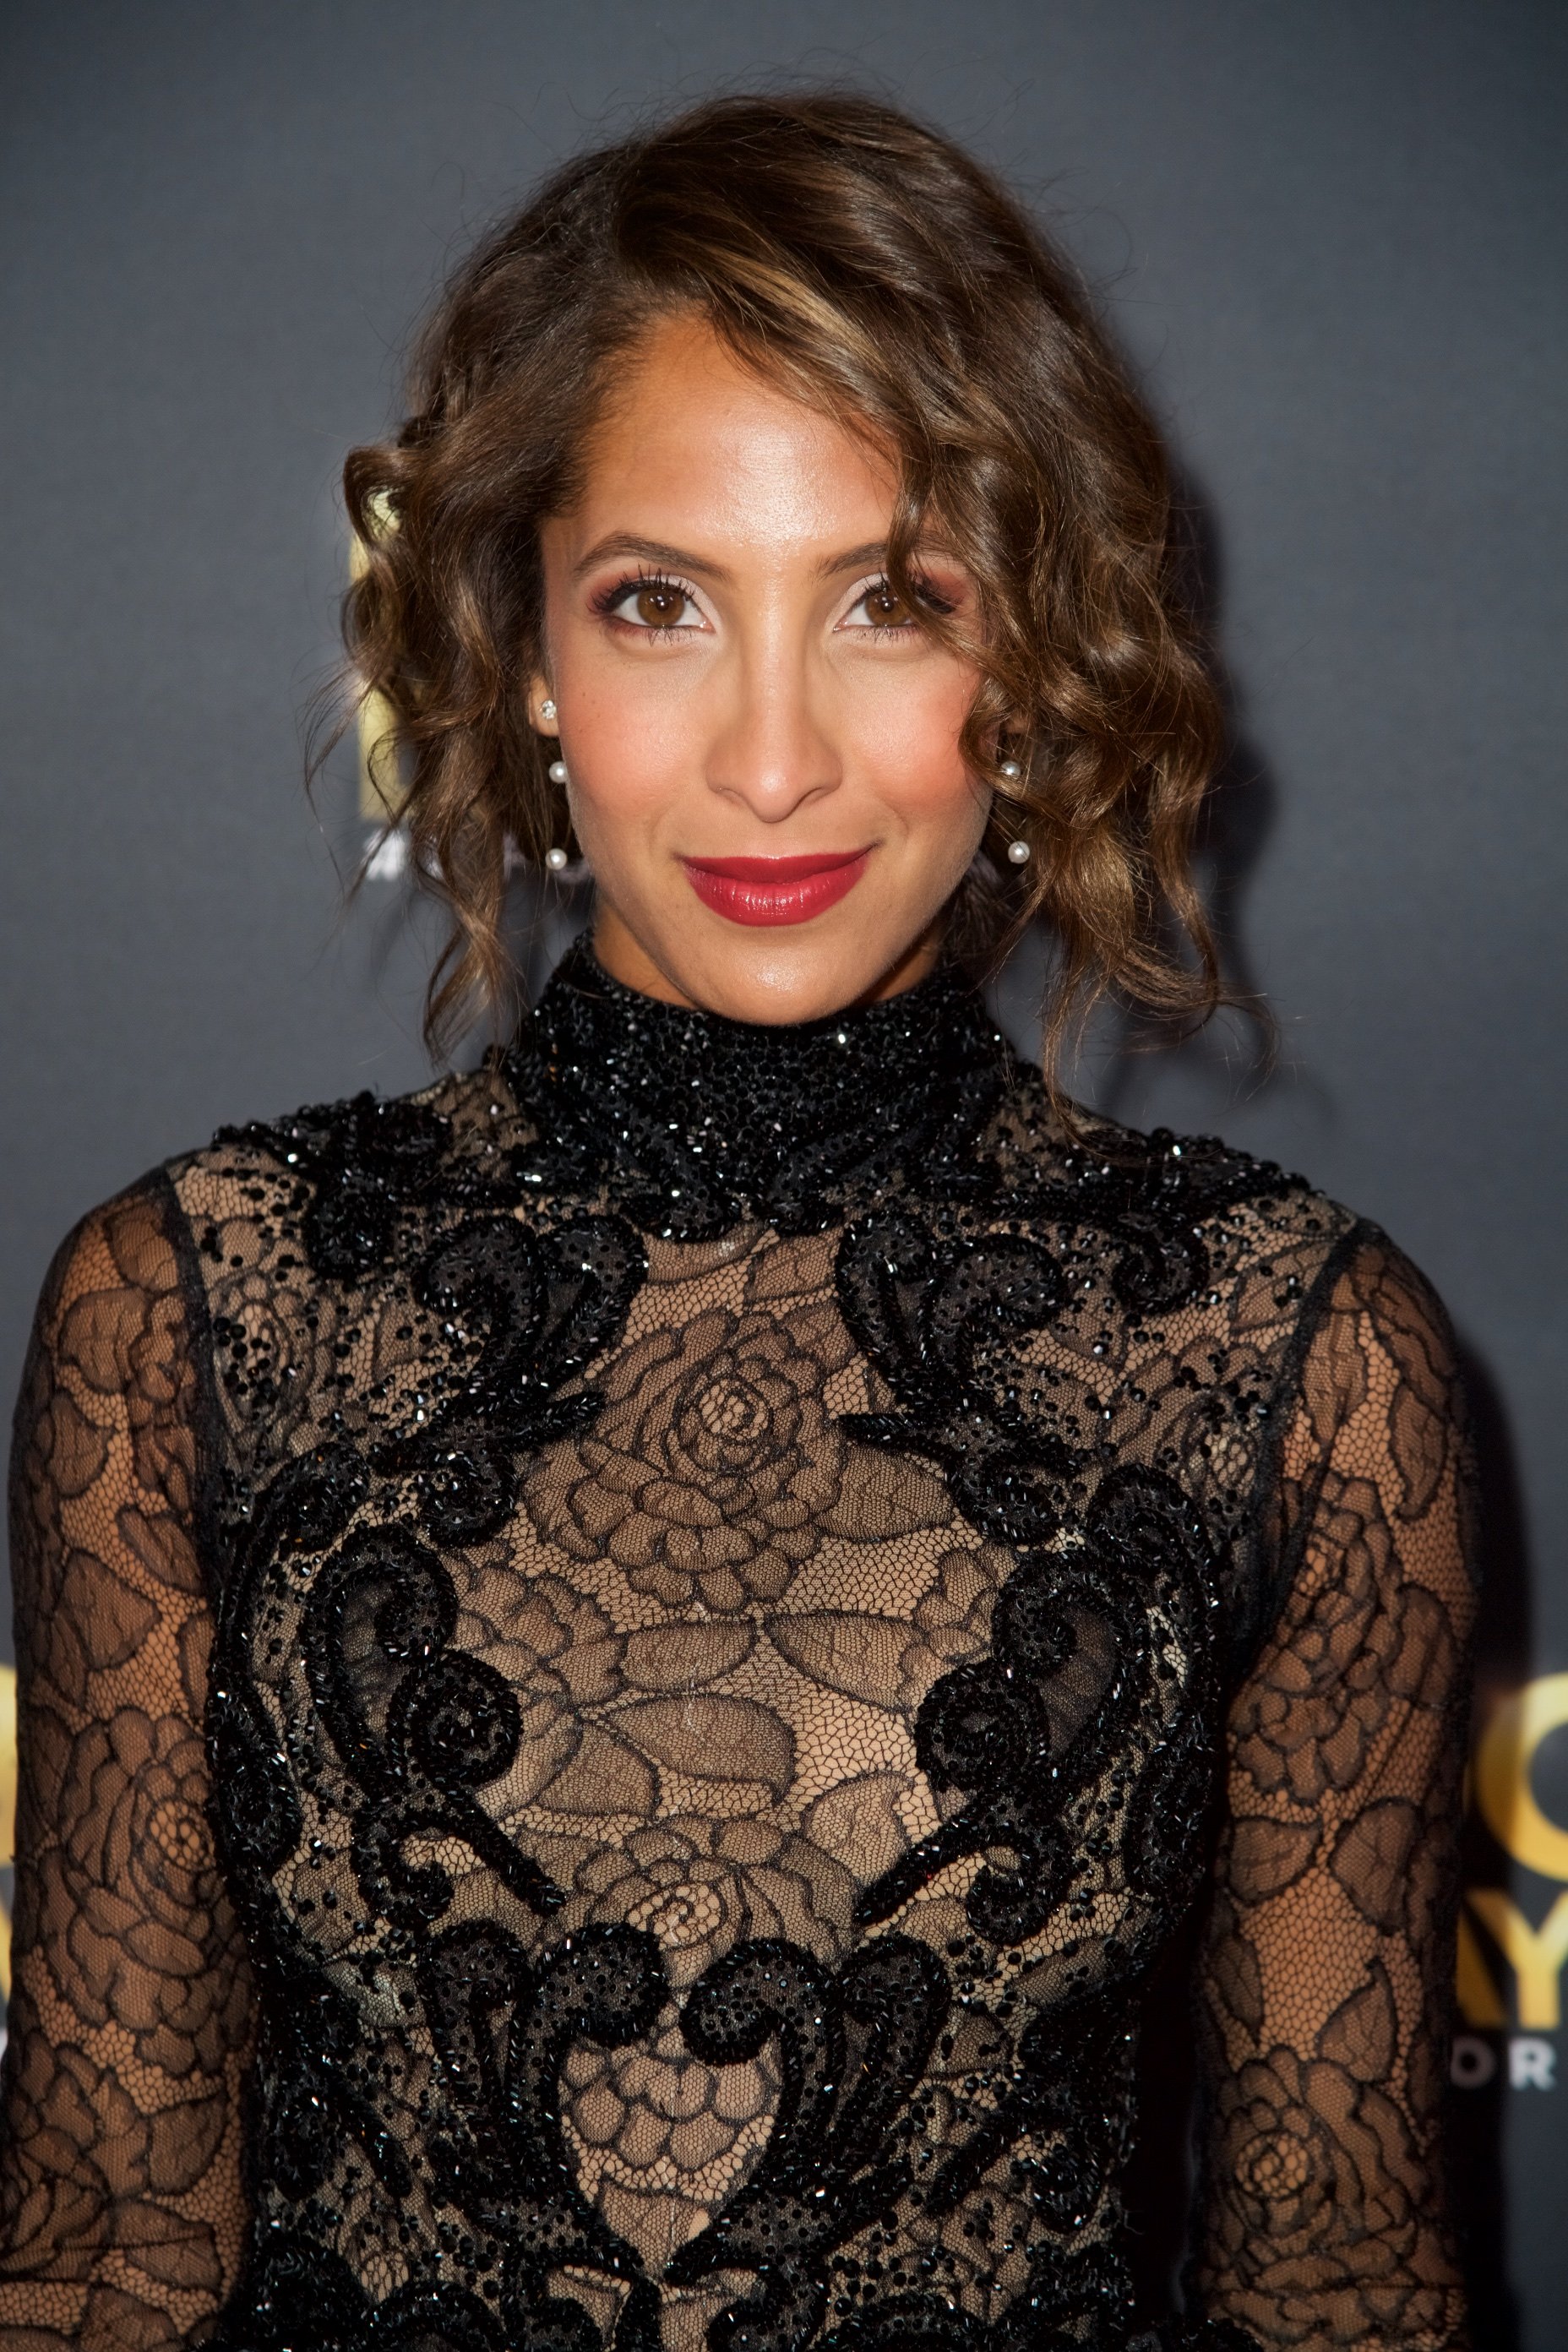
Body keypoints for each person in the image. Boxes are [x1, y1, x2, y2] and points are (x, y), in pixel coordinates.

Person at [0, 93, 1476, 2352]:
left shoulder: (1293, 1359)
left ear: (1033, 661)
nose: (772, 760)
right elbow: (106, 2257)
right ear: (520, 661)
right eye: (661, 604)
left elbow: (1339, 2280)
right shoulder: (196, 1311)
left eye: (891, 603)